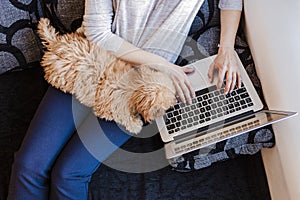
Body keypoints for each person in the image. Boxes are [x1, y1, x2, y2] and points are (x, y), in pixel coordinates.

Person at [8, 0, 243, 199]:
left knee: (69, 174)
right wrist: (163, 65)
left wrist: (226, 50)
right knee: (28, 166)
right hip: (90, 63)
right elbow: (97, 33)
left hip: (140, 87)